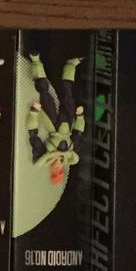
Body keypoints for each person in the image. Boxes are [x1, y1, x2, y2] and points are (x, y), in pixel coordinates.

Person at [26, 52, 84, 187]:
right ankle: (70, 66)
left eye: (55, 172)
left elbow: (33, 134)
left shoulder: (46, 156)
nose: (57, 168)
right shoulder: (70, 156)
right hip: (68, 124)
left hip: (52, 124)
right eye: (60, 171)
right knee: (68, 94)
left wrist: (34, 113)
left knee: (44, 93)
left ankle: (36, 62)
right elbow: (78, 134)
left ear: (51, 171)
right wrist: (80, 117)